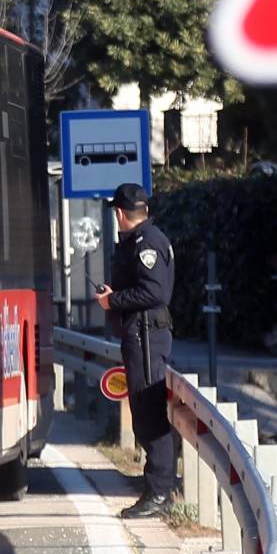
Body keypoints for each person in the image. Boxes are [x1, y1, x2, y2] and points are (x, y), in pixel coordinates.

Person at [95, 182, 177, 519]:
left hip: (146, 336)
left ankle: (159, 493)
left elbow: (153, 292)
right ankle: (157, 489)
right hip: (141, 335)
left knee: (148, 414)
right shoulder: (145, 239)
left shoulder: (147, 242)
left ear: (119, 213)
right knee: (144, 413)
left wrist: (112, 300)